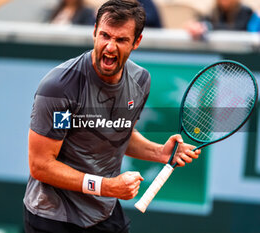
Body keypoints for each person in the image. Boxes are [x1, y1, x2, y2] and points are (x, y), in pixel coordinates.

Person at [23, 0, 201, 232]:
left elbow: (117, 132)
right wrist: (106, 187)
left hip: (103, 213)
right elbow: (41, 165)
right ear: (94, 32)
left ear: (136, 42)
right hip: (53, 217)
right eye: (105, 35)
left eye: (121, 39)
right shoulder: (60, 87)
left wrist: (159, 152)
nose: (109, 47)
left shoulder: (140, 81)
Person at [186, 0, 254, 40]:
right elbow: (202, 20)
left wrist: (208, 26)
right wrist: (197, 26)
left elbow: (237, 28)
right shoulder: (215, 11)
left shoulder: (246, 11)